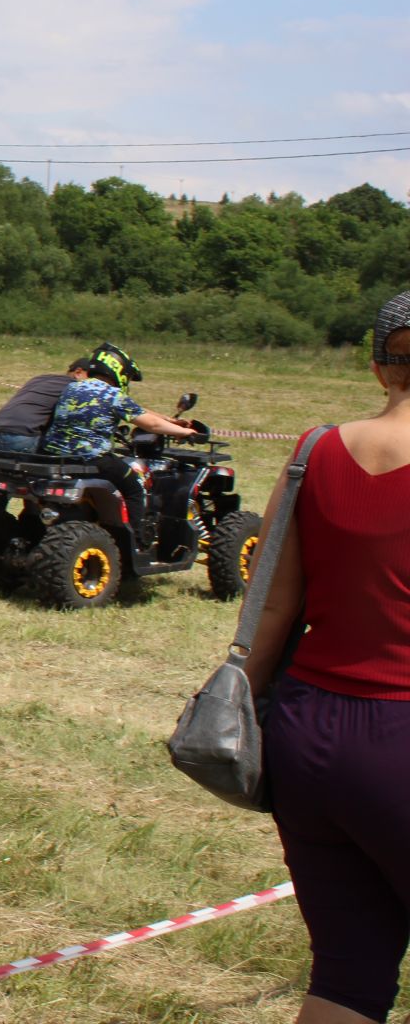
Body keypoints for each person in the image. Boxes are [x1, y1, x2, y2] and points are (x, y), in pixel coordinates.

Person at [245, 291, 410, 1024]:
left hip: (306, 738)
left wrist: (238, 707)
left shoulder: (313, 449)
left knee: (346, 973)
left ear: (379, 368)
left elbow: (270, 608)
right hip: (400, 736)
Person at [38, 343, 196, 543]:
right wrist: (185, 431)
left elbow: (140, 411)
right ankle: (135, 540)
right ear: (118, 371)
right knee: (134, 488)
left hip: (56, 456)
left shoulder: (71, 387)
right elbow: (152, 424)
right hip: (92, 459)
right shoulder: (112, 395)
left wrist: (170, 421)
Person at [0, 357, 94, 452]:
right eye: (92, 378)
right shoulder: (74, 387)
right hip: (23, 434)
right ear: (78, 372)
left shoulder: (40, 378)